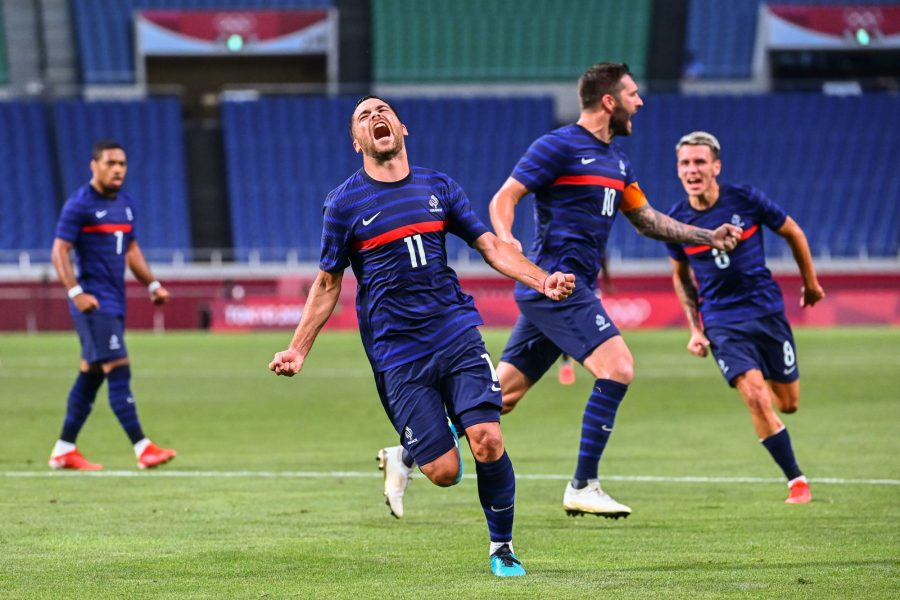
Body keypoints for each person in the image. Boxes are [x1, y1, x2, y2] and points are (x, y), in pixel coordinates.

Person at [268, 96, 575, 577]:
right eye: (364, 117)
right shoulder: (344, 203)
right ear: (357, 141)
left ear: (402, 127)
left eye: (382, 110)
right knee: (445, 472)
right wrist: (297, 348)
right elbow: (328, 282)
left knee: (488, 439)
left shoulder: (439, 187)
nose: (376, 118)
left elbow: (490, 245)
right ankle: (407, 455)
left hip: (455, 331)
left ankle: (502, 548)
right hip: (398, 354)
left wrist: (542, 279)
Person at [488, 62, 743, 519]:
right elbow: (504, 197)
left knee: (500, 397)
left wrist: (707, 236)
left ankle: (407, 454)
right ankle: (583, 484)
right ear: (610, 101)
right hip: (555, 285)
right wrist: (505, 238)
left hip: (570, 289)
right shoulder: (559, 145)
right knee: (619, 366)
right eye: (632, 94)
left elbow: (647, 221)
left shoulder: (618, 161)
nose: (639, 102)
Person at [666, 131, 825, 504]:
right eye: (685, 163)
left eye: (700, 162)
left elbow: (793, 232)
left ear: (716, 166)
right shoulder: (676, 220)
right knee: (755, 397)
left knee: (788, 403)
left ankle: (762, 384)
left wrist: (811, 283)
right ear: (678, 170)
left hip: (766, 311)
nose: (692, 170)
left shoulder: (746, 200)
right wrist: (695, 328)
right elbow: (680, 274)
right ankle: (796, 481)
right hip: (722, 321)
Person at [48, 140, 177, 471]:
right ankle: (143, 447)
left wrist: (152, 283)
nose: (118, 169)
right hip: (93, 304)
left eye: (122, 163)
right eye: (110, 163)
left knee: (91, 375)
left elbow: (131, 249)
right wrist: (75, 290)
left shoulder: (126, 204)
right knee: (119, 369)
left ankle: (64, 449)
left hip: (115, 301)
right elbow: (59, 251)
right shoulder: (79, 205)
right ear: (94, 166)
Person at [558, 255, 614, 385]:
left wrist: (607, 281)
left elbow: (603, 257)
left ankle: (595, 360)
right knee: (567, 325)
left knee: (593, 326)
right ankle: (566, 365)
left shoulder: (594, 239)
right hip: (571, 288)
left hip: (591, 289)